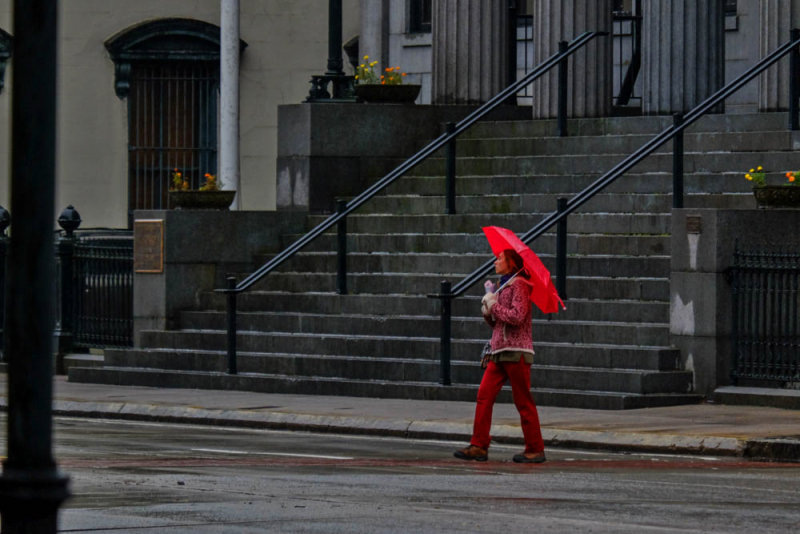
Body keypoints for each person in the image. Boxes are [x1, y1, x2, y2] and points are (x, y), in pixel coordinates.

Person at [454, 248, 546, 463]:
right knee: (484, 396)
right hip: (499, 351)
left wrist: (494, 305)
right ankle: (479, 444)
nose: (495, 262)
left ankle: (535, 448)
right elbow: (497, 324)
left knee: (523, 400)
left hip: (517, 352)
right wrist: (488, 310)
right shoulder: (504, 286)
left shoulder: (520, 285)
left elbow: (517, 317)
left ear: (511, 263)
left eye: (500, 259)